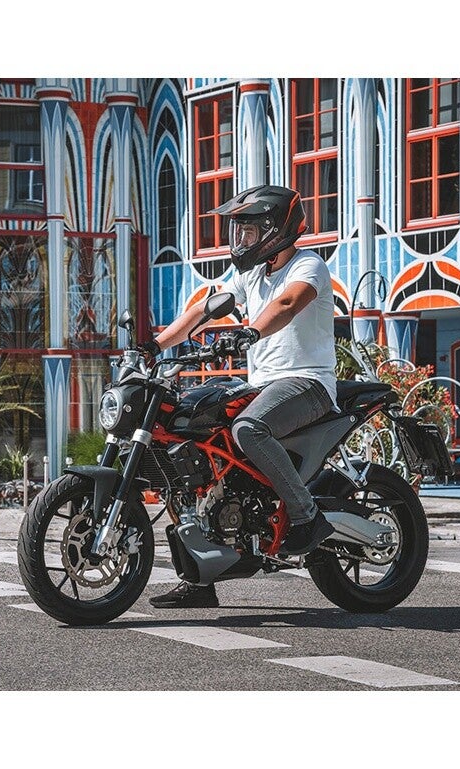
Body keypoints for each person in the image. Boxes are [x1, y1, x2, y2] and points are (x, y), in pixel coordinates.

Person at [140, 184, 337, 609]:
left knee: (249, 428)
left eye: (250, 231)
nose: (242, 239)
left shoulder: (308, 265)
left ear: (276, 229)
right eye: (240, 231)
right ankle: (199, 578)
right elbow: (205, 309)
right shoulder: (251, 275)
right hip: (261, 386)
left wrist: (250, 332)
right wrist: (154, 346)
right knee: (188, 444)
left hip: (307, 383)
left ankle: (306, 516)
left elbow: (287, 303)